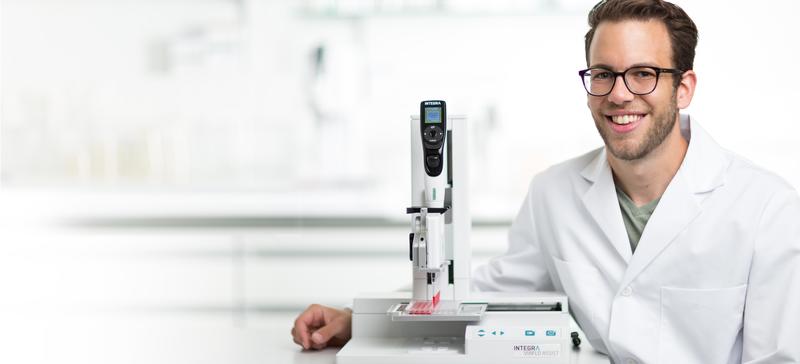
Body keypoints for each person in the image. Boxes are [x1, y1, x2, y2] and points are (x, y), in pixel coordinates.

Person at [291, 0, 800, 362]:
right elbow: (483, 291)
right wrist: (361, 317)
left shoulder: (766, 209)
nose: (619, 94)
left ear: (683, 87)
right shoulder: (554, 193)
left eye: (643, 73)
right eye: (603, 74)